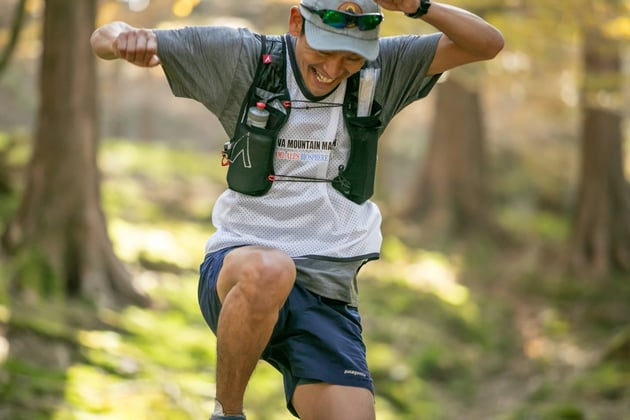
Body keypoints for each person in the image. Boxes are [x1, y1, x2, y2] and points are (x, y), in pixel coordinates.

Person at [91, 0, 503, 419]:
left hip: (326, 289)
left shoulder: (384, 69)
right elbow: (102, 38)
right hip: (241, 272)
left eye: (351, 55)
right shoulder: (244, 57)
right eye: (323, 49)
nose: (335, 67)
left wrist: (419, 6)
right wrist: (127, 40)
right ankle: (227, 413)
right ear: (295, 23)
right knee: (273, 269)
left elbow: (487, 44)